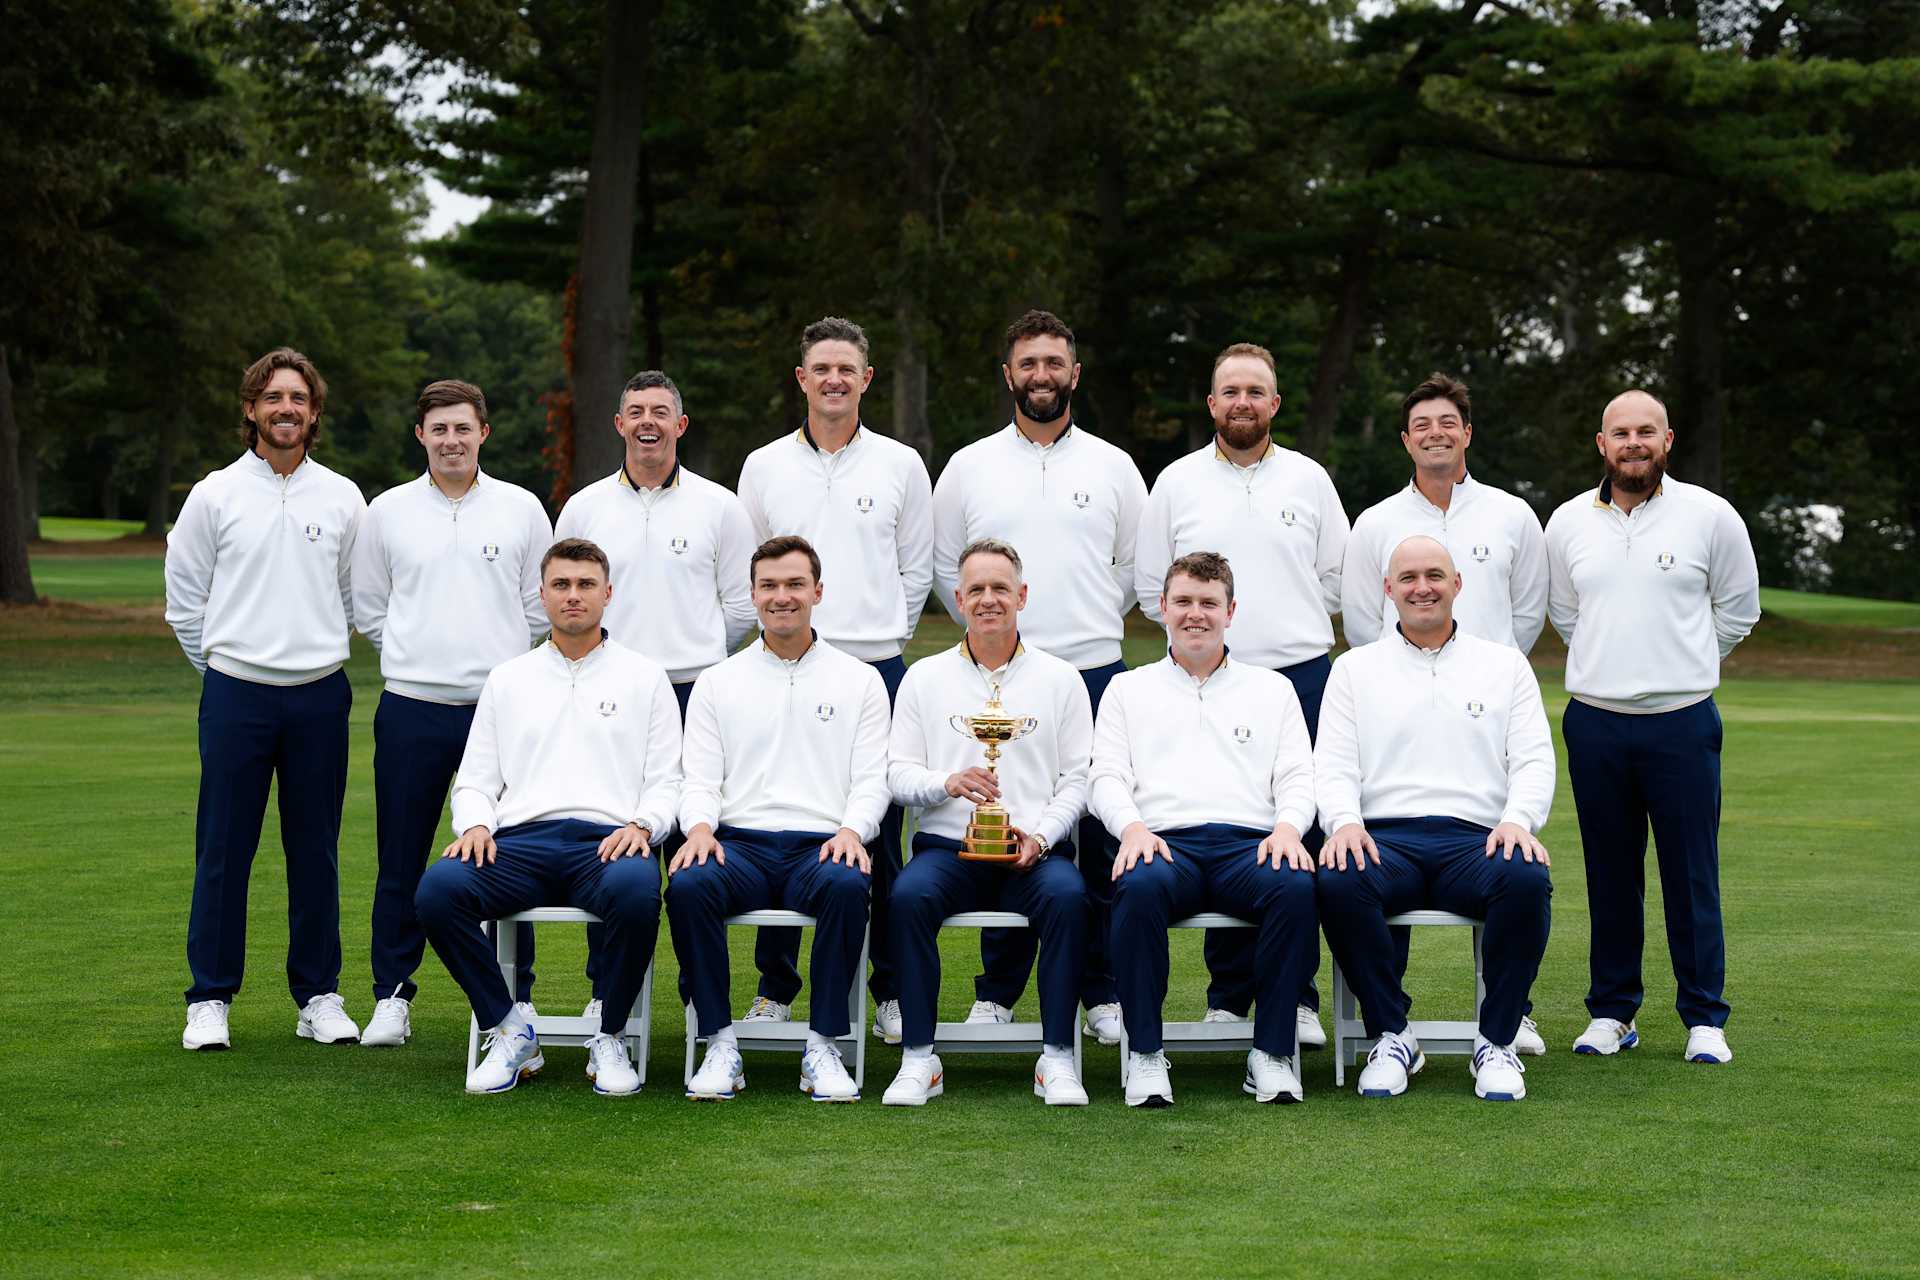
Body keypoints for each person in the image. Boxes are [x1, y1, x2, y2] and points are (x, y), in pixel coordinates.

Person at [931, 308, 1148, 1048]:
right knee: (1004, 827)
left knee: (1094, 839)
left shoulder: (1114, 466)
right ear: (1009, 375)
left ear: (1074, 373)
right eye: (1029, 364)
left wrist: (1072, 637)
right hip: (999, 680)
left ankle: (1101, 988)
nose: (1042, 376)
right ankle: (997, 992)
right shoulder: (968, 466)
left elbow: (1130, 568)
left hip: (1089, 670)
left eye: (1055, 363)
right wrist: (998, 639)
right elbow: (943, 566)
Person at [1133, 341, 1349, 1051]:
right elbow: (1147, 585)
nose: (1243, 402)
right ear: (1212, 403)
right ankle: (1229, 998)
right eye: (1230, 391)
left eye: (1256, 391)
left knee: (1298, 839)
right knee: (1216, 823)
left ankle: (1300, 998)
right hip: (1205, 679)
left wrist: (1278, 634)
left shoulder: (1310, 479)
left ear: (1275, 404)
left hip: (1298, 677)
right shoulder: (1176, 482)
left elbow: (1334, 577)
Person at [413, 537, 682, 1096]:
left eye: (586, 585)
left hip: (607, 843)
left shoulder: (645, 677)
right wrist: (477, 825)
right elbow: (476, 778)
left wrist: (643, 826)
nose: (573, 596)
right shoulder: (510, 678)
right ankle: (509, 1028)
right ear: (542, 595)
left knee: (637, 895)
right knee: (438, 890)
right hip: (518, 845)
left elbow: (667, 779)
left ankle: (609, 1035)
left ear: (608, 594)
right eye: (561, 585)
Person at [1338, 370, 1550, 1055]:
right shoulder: (1375, 523)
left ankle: (1505, 1025)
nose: (1436, 433)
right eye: (1422, 424)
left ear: (1467, 433)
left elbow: (1531, 610)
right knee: (1350, 869)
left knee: (1518, 871)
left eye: (1447, 423)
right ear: (1406, 439)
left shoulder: (1512, 514)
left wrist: (1483, 669)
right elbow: (1362, 616)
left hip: (1482, 718)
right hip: (1394, 726)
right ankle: (1389, 1031)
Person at [1546, 390, 1759, 1065]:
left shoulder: (1710, 516)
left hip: (1682, 723)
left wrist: (1682, 661)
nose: (1633, 443)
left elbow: (1737, 610)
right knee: (1611, 874)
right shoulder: (1568, 522)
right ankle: (1612, 1012)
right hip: (1597, 723)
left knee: (1691, 872)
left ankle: (1704, 1016)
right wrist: (1617, 663)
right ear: (1600, 444)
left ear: (1666, 441)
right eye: (1620, 433)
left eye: (1646, 432)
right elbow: (1566, 612)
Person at [735, 318, 932, 1046]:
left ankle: (888, 990)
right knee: (777, 817)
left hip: (874, 666)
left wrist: (882, 637)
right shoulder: (763, 466)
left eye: (847, 369)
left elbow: (918, 569)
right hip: (782, 664)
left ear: (866, 379)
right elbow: (750, 567)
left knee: (876, 836)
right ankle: (776, 987)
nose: (834, 380)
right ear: (802, 379)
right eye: (821, 368)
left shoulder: (901, 465)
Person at [166, 347, 367, 1051]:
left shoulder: (343, 496)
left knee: (316, 850)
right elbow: (185, 606)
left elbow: (355, 598)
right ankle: (210, 998)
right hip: (237, 696)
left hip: (318, 696)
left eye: (299, 399)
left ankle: (318, 995)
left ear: (314, 413)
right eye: (273, 397)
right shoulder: (215, 493)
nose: (287, 409)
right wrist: (229, 668)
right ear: (251, 408)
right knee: (224, 848)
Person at [1314, 536, 1556, 1101]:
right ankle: (1393, 1035)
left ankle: (1496, 1041)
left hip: (1476, 839)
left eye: (1434, 575)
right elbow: (1332, 763)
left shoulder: (1504, 665)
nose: (1422, 587)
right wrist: (1345, 822)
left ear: (1457, 585)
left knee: (1525, 879)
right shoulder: (1354, 669)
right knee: (1338, 880)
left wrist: (1518, 820)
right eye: (1408, 578)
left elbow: (1533, 758)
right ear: (1388, 589)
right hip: (1384, 838)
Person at [351, 379, 553, 1048]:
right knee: (402, 856)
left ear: (483, 433)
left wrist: (496, 669)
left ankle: (513, 995)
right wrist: (418, 656)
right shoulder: (387, 511)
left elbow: (536, 607)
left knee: (507, 855)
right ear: (421, 436)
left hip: (501, 712)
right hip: (412, 707)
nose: (451, 440)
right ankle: (391, 995)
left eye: (462, 428)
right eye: (439, 429)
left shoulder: (521, 509)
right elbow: (371, 607)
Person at [555, 369, 758, 1017]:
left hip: (696, 691)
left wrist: (691, 653)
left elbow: (737, 606)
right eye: (636, 410)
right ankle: (605, 990)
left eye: (660, 411)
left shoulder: (720, 507)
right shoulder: (585, 507)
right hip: (609, 690)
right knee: (610, 839)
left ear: (680, 424)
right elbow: (573, 596)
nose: (648, 421)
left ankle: (701, 994)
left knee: (697, 846)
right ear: (619, 425)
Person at [1092, 552, 1319, 1108]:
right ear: (1162, 609)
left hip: (1251, 845)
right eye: (1184, 602)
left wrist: (1290, 827)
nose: (1196, 614)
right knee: (1139, 888)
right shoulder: (1128, 689)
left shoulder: (1271, 689)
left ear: (1231, 611)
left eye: (1209, 603)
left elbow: (1297, 775)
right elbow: (1106, 776)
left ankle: (1271, 1054)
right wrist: (1133, 829)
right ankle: (1144, 1054)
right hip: (1165, 843)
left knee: (1295, 888)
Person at [670, 536, 891, 1103]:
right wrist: (698, 827)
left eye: (794, 584)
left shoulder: (860, 680)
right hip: (737, 845)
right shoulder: (719, 680)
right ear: (752, 595)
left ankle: (822, 1046)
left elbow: (872, 779)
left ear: (818, 591)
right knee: (689, 884)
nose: (782, 596)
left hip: (821, 844)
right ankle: (720, 1042)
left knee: (848, 884)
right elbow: (699, 776)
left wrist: (852, 831)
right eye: (769, 586)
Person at [881, 538, 1093, 1107]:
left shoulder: (1061, 679)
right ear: (958, 599)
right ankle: (918, 1058)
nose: (988, 599)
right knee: (907, 896)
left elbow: (1078, 779)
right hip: (948, 847)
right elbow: (897, 774)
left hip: (1034, 850)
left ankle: (1057, 1057)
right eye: (976, 589)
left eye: (1001, 588)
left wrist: (1043, 834)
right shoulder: (924, 678)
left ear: (1022, 596)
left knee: (1070, 899)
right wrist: (945, 782)